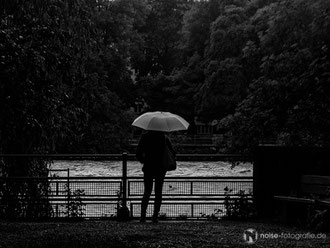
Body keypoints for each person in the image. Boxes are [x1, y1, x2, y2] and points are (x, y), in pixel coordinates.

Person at [136, 130, 176, 223]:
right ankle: (155, 216)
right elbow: (172, 152)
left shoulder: (145, 137)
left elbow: (138, 153)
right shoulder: (164, 137)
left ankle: (143, 216)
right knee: (158, 192)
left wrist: (144, 160)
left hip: (148, 167)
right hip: (161, 168)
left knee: (147, 191)